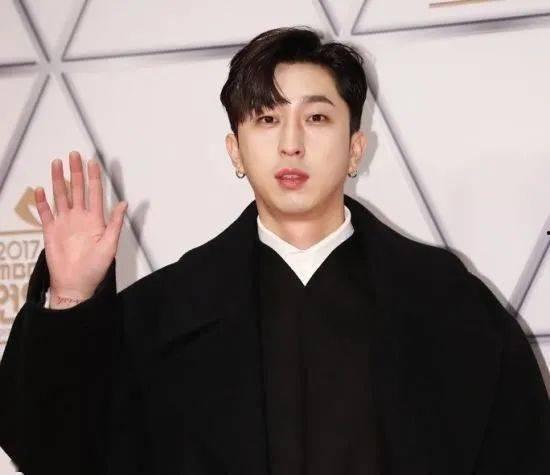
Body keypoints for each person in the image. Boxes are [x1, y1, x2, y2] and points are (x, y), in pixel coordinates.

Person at [0, 26, 548, 475]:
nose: (291, 143)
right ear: (235, 151)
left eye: (317, 117)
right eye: (266, 119)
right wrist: (71, 300)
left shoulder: (445, 302)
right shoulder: (163, 314)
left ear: (355, 148)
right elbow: (54, 451)